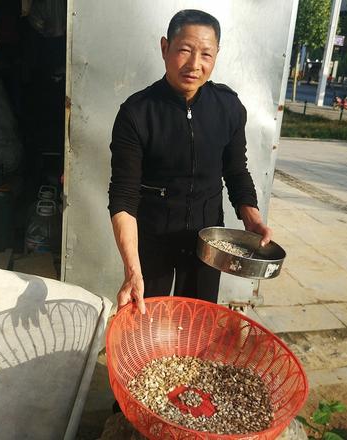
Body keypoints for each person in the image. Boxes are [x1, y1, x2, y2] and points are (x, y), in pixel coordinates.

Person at [108, 9, 272, 315]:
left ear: (217, 55)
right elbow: (123, 196)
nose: (195, 65)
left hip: (207, 239)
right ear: (164, 47)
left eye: (206, 54)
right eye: (185, 50)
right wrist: (132, 269)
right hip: (153, 235)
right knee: (146, 316)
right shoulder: (137, 113)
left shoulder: (228, 107)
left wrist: (252, 219)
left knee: (197, 319)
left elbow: (236, 171)